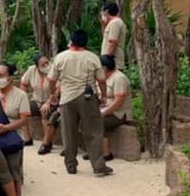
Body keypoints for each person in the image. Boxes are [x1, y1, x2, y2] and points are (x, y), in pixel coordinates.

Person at [48, 30, 111, 177]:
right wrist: (103, 96)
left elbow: (51, 80)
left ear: (71, 41)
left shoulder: (60, 57)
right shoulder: (92, 57)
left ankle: (71, 165)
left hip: (67, 98)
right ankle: (98, 166)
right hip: (88, 98)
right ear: (85, 42)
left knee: (69, 133)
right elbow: (101, 80)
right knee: (93, 131)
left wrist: (53, 94)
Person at [0, 63, 31, 196]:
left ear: (10, 78)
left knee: (14, 168)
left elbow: (24, 119)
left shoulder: (21, 95)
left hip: (14, 137)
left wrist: (5, 128)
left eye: (1, 75)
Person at [22, 54, 59, 155]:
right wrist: (23, 98)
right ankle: (27, 138)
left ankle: (46, 143)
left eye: (47, 62)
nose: (46, 65)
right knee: (22, 110)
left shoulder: (54, 70)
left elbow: (58, 89)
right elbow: (24, 84)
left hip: (53, 100)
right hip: (37, 100)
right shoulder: (31, 70)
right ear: (37, 67)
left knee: (44, 112)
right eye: (42, 64)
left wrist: (48, 102)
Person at [98, 55, 131, 160]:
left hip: (119, 113)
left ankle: (106, 154)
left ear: (104, 68)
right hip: (105, 109)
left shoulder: (119, 78)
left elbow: (118, 101)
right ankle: (94, 150)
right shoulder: (104, 78)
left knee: (99, 122)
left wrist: (105, 112)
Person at [99, 1, 127, 70]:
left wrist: (107, 61)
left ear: (106, 11)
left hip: (113, 64)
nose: (101, 13)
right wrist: (103, 24)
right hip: (109, 63)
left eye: (102, 11)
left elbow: (113, 42)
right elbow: (106, 38)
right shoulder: (111, 23)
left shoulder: (115, 23)